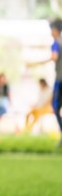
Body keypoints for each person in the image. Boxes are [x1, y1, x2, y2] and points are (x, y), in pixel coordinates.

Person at [29, 19, 62, 147]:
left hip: (60, 80)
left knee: (55, 107)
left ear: (55, 30)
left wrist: (35, 63)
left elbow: (53, 57)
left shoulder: (56, 43)